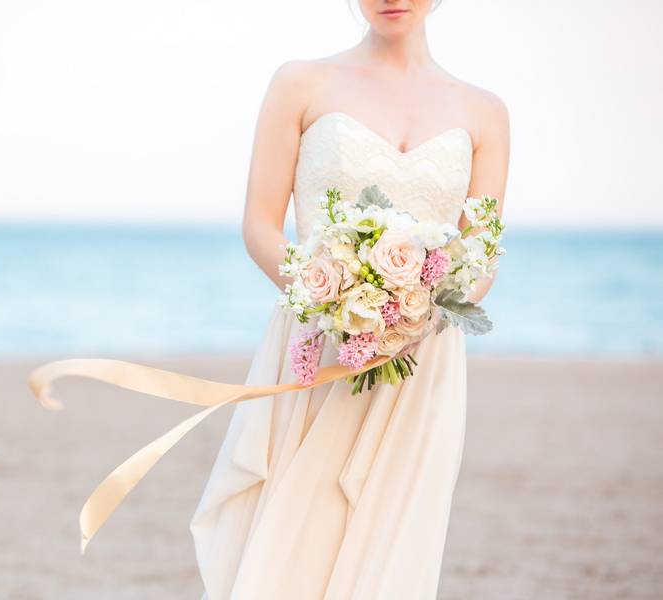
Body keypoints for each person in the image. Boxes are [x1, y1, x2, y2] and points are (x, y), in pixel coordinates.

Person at [189, 1, 510, 598]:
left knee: (391, 554)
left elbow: (481, 251)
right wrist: (329, 297)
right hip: (318, 346)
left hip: (421, 361)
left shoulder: (485, 112)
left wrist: (413, 317)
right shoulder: (301, 83)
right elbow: (261, 225)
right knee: (292, 543)